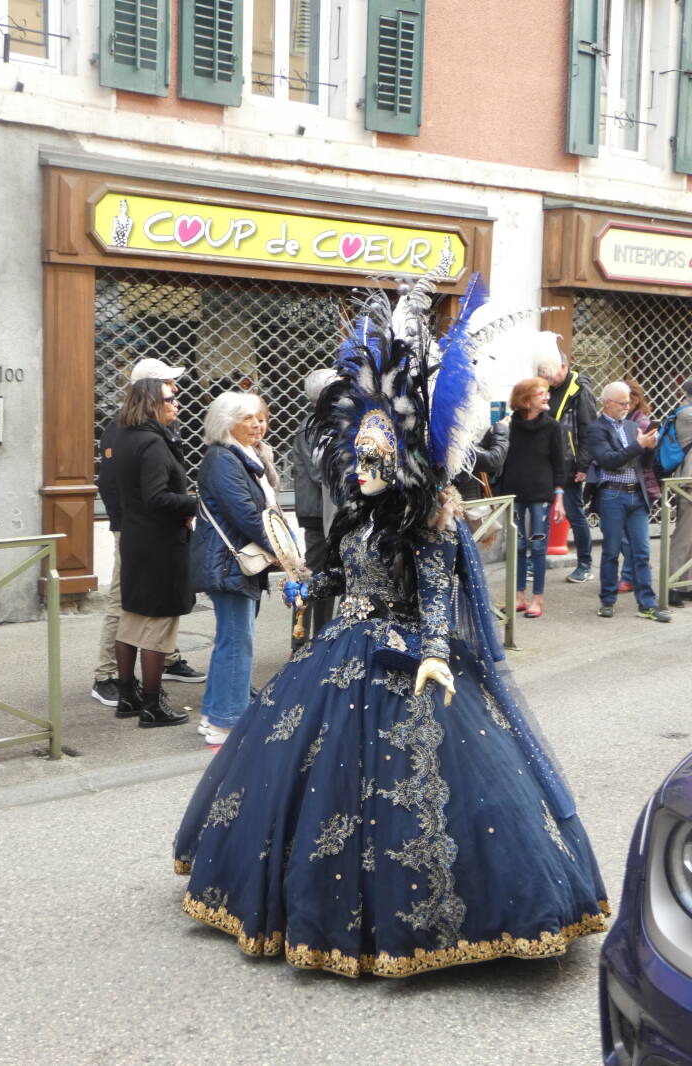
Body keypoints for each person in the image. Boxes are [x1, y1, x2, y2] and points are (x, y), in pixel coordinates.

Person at [174, 274, 608, 977]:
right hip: (339, 649)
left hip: (407, 656)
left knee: (422, 793)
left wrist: (434, 653)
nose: (362, 471)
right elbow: (343, 578)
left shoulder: (427, 520)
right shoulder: (357, 514)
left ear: (403, 460)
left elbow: (436, 594)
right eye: (358, 459)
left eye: (375, 461)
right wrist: (309, 581)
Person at [90, 359, 205, 708]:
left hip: (147, 528)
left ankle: (165, 662)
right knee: (129, 603)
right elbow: (115, 484)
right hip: (141, 532)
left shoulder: (154, 429)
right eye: (169, 386)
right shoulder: (126, 432)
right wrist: (129, 522)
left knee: (145, 607)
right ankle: (107, 676)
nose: (176, 392)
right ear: (152, 392)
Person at [190, 391, 276, 747]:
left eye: (260, 417)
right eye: (248, 418)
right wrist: (283, 552)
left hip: (232, 564)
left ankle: (214, 714)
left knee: (231, 639)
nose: (258, 424)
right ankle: (227, 723)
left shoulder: (243, 456)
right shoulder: (223, 459)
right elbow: (248, 515)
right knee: (238, 642)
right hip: (229, 564)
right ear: (227, 423)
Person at [586, 381, 670, 622]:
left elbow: (643, 464)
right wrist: (638, 445)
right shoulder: (596, 429)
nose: (626, 407)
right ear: (607, 403)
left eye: (628, 403)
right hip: (613, 495)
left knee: (642, 551)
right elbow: (609, 460)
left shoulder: (632, 426)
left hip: (637, 494)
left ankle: (647, 604)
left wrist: (649, 448)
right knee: (611, 551)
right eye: (622, 403)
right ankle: (607, 601)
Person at [500, 378, 565, 618]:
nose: (547, 396)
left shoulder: (552, 426)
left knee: (538, 547)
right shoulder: (509, 425)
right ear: (526, 400)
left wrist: (559, 498)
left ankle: (537, 599)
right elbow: (497, 458)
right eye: (541, 393)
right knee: (517, 546)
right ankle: (518, 597)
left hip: (541, 497)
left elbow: (560, 464)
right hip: (514, 495)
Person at [539, 351, 596, 583]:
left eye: (550, 373)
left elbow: (589, 430)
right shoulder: (549, 388)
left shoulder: (580, 390)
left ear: (563, 366)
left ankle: (585, 564)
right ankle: (535, 562)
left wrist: (583, 465)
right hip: (548, 462)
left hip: (570, 464)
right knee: (541, 513)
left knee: (574, 514)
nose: (547, 378)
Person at [290, 368, 337, 651]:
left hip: (328, 514)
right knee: (313, 578)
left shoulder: (328, 424)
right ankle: (300, 642)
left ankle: (322, 639)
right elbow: (322, 473)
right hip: (318, 515)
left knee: (327, 578)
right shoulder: (312, 427)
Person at [618, 379, 661, 596]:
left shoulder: (641, 422)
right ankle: (637, 568)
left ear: (634, 399)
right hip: (629, 483)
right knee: (625, 535)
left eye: (625, 399)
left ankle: (630, 576)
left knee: (629, 536)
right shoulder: (626, 420)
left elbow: (642, 457)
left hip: (641, 484)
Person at [669, 376, 692, 607]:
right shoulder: (686, 413)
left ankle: (686, 585)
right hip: (688, 483)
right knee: (683, 537)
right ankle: (672, 585)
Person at [255, 397, 280, 507]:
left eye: (261, 421)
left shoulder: (265, 451)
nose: (256, 426)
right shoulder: (237, 454)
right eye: (249, 420)